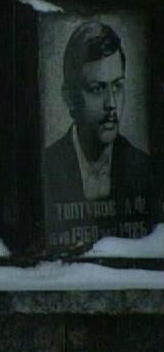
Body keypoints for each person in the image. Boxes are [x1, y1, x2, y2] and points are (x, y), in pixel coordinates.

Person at [42, 21, 153, 246]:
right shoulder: (45, 167)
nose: (111, 104)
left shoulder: (145, 169)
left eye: (117, 86)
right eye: (97, 88)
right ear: (70, 98)